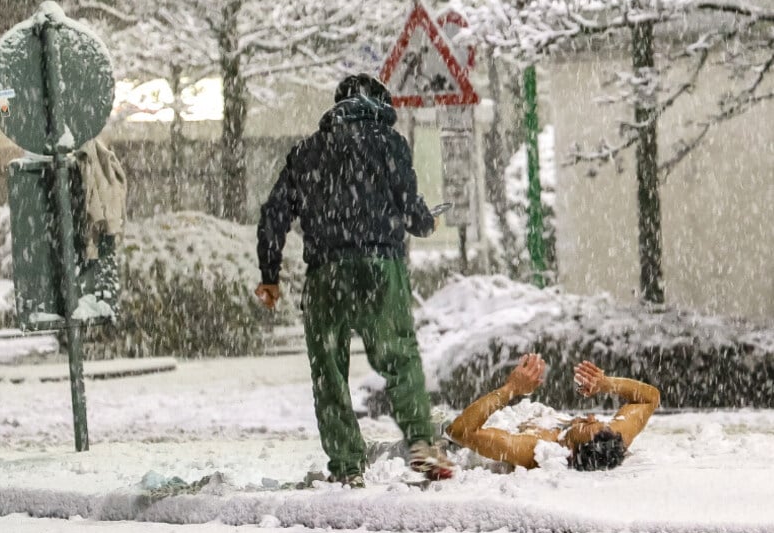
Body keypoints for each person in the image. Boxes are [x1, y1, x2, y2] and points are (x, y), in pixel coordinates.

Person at [255, 73, 454, 487]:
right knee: (399, 355)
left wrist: (269, 275)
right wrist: (425, 223)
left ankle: (347, 465)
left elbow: (274, 215)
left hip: (326, 273)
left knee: (328, 370)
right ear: (380, 106)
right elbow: (408, 203)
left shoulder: (306, 151)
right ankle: (420, 442)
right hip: (380, 266)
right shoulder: (390, 143)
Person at [445, 353, 660, 470]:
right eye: (597, 421)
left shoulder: (532, 449)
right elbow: (651, 398)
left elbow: (459, 432)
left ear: (573, 450)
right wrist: (607, 384)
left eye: (586, 425)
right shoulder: (610, 440)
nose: (591, 417)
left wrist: (511, 389)